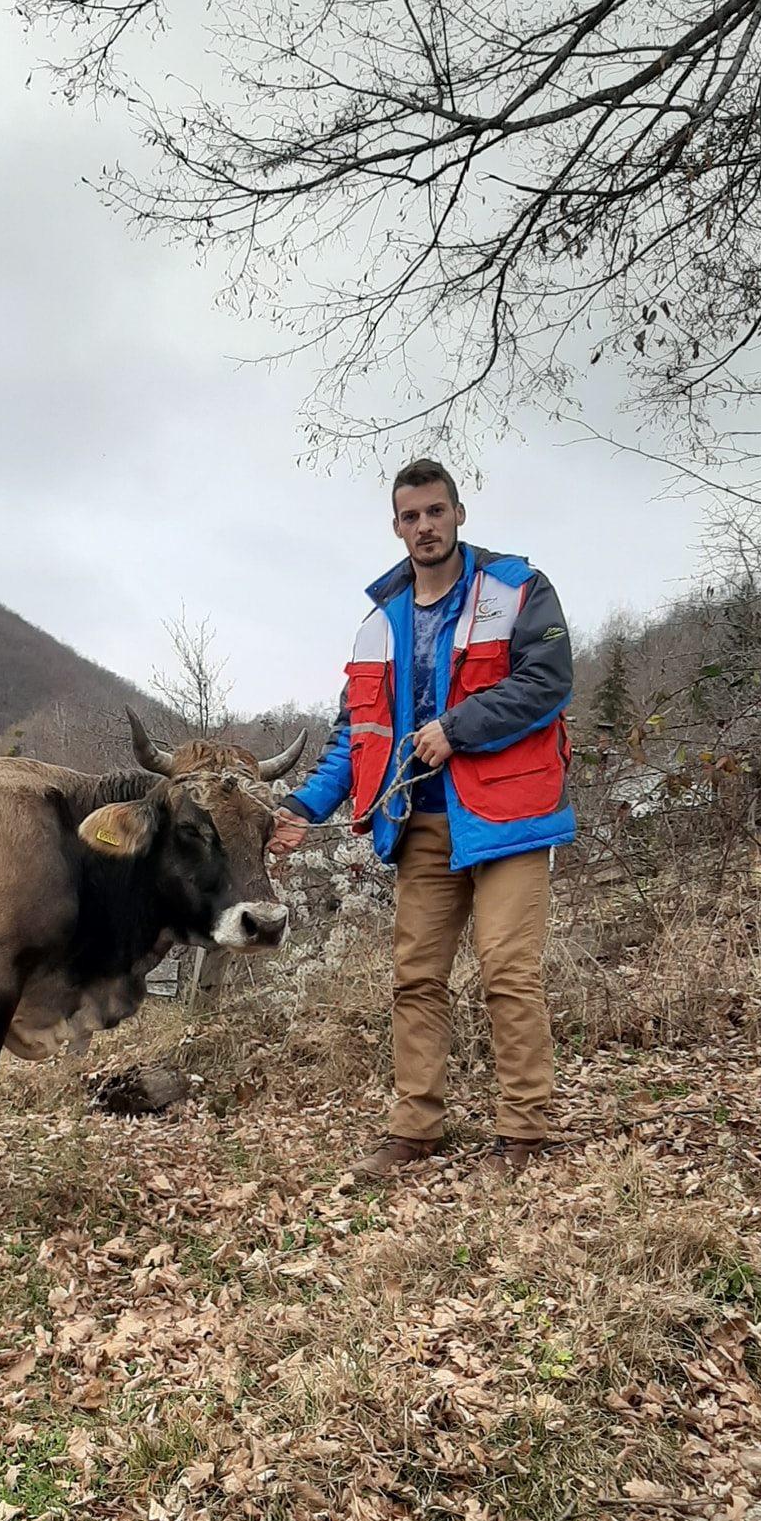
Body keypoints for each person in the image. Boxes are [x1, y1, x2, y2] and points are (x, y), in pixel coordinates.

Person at [269, 459, 574, 1176]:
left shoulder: (518, 589)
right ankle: (414, 1130)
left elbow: (549, 681)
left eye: (436, 512)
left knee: (507, 972)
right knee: (415, 979)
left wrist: (457, 727)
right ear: (397, 525)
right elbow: (358, 736)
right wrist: (299, 808)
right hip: (420, 824)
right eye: (411, 516)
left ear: (458, 514)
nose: (425, 526)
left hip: (508, 819)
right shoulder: (379, 622)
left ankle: (524, 1134)